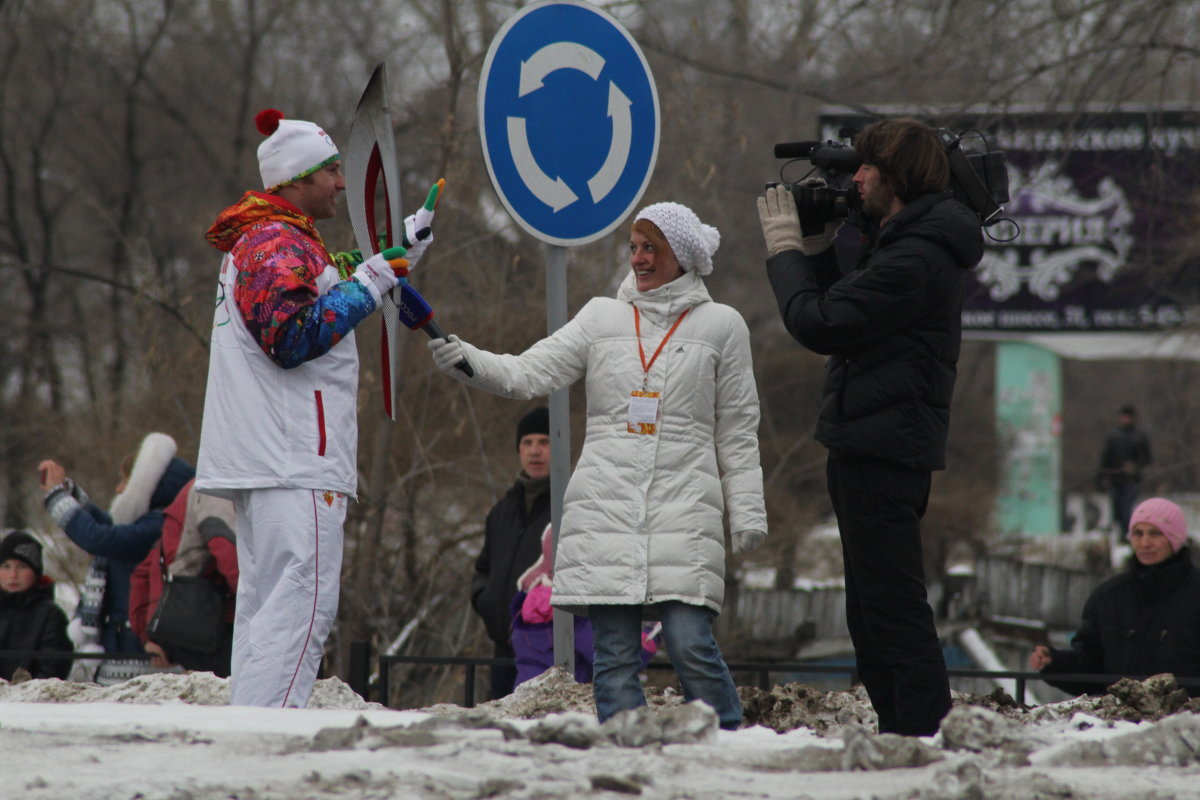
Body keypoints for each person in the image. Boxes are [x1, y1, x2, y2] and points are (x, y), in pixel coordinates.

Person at [428, 201, 767, 730]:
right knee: (612, 653)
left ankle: (730, 743)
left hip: (685, 509)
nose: (639, 259)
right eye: (633, 248)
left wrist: (747, 513)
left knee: (688, 641)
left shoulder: (723, 326)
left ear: (681, 255)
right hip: (605, 508)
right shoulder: (600, 317)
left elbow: (738, 430)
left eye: (650, 248)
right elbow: (527, 372)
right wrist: (468, 361)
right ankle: (624, 750)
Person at [194, 108, 440, 707]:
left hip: (272, 459)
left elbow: (327, 286)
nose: (340, 183)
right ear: (298, 179)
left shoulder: (272, 242)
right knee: (299, 610)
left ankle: (248, 738)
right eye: (331, 171)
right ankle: (267, 749)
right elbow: (293, 336)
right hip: (294, 458)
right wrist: (377, 279)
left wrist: (394, 253)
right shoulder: (275, 243)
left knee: (265, 612)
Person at [756, 117, 984, 736]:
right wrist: (819, 245)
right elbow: (849, 305)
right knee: (871, 610)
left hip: (885, 450)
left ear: (897, 178)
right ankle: (901, 733)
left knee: (893, 609)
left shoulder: (915, 257)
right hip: (870, 442)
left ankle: (924, 737)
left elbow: (818, 322)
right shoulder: (903, 243)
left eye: (866, 169)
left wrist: (782, 250)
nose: (854, 179)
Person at [39, 432, 195, 657]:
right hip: (125, 643)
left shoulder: (160, 525)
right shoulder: (156, 520)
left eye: (126, 483)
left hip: (137, 652)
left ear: (149, 488)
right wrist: (68, 491)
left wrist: (57, 497)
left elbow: (100, 538)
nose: (119, 490)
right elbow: (109, 528)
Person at [1030, 497, 1200, 696]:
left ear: (1175, 539)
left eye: (1155, 533)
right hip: (1120, 723)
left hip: (1185, 723)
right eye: (1138, 533)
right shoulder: (1108, 597)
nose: (1145, 543)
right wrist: (1055, 663)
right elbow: (1092, 667)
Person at [470, 406, 554, 700]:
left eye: (544, 442)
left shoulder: (571, 508)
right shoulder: (501, 512)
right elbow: (483, 569)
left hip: (549, 652)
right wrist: (486, 601)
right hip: (503, 649)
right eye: (527, 443)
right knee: (499, 735)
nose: (535, 451)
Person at [128, 478, 238, 677]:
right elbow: (232, 560)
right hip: (208, 627)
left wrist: (149, 635)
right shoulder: (212, 491)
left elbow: (143, 572)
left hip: (182, 624)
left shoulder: (195, 491)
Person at [0, 530, 73, 681]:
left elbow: (52, 669)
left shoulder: (51, 615)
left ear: (35, 571)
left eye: (22, 566)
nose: (13, 575)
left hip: (31, 702)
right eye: (6, 566)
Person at [1097, 404, 1152, 535]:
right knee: (1116, 509)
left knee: (1126, 510)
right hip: (1115, 479)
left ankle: (1126, 535)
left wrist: (1135, 466)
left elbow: (1147, 459)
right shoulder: (1113, 437)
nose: (1125, 420)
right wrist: (1101, 478)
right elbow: (1105, 460)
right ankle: (1120, 535)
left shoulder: (1139, 437)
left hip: (1131, 480)